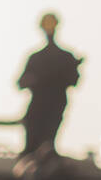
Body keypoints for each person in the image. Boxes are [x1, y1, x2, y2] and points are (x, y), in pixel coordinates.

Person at [17, 13, 83, 157]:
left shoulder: (65, 57)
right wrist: (36, 80)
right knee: (32, 146)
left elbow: (74, 81)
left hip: (54, 107)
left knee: (47, 144)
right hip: (37, 107)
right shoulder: (36, 58)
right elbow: (21, 83)